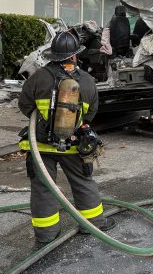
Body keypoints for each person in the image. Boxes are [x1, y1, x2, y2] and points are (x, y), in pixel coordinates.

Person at [18, 30, 115, 243]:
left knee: (43, 188)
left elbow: (25, 106)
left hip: (41, 145)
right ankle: (93, 225)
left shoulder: (38, 77)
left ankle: (47, 234)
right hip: (73, 145)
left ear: (53, 55)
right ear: (74, 55)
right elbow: (90, 114)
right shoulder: (88, 81)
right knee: (82, 182)